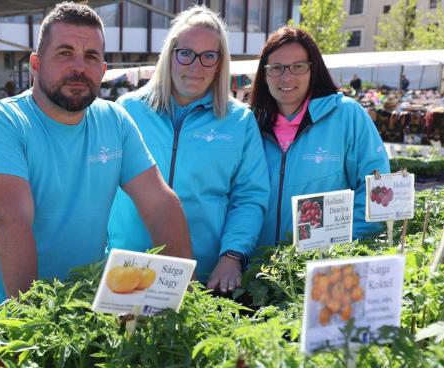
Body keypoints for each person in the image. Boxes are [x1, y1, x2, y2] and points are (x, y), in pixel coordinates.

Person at [0, 2, 193, 311]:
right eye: (65, 53)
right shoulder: (1, 121)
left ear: (103, 70)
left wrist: (183, 297)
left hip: (79, 314)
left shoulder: (115, 121)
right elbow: (12, 219)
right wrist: (31, 324)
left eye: (91, 56)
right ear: (36, 64)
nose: (79, 67)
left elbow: (160, 204)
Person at [108, 6, 268, 295]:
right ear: (170, 55)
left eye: (209, 56)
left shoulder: (239, 121)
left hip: (204, 277)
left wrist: (232, 255)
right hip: (129, 271)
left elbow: (249, 197)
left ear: (220, 63)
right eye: (186, 53)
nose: (196, 66)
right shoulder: (127, 110)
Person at [249, 27, 389, 248]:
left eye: (298, 67)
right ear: (264, 75)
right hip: (256, 263)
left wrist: (342, 244)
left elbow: (375, 185)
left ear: (312, 70)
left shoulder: (346, 115)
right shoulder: (250, 123)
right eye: (276, 68)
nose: (287, 76)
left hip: (322, 260)